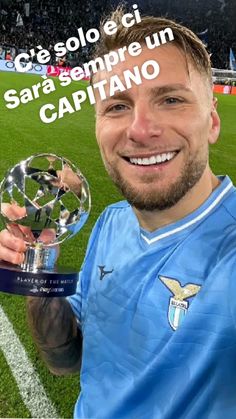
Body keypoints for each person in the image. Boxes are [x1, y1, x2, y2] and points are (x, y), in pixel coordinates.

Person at [1, 6, 236, 419]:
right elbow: (65, 360)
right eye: (116, 106)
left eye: (171, 99)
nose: (141, 129)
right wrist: (39, 274)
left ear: (212, 121)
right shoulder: (111, 221)